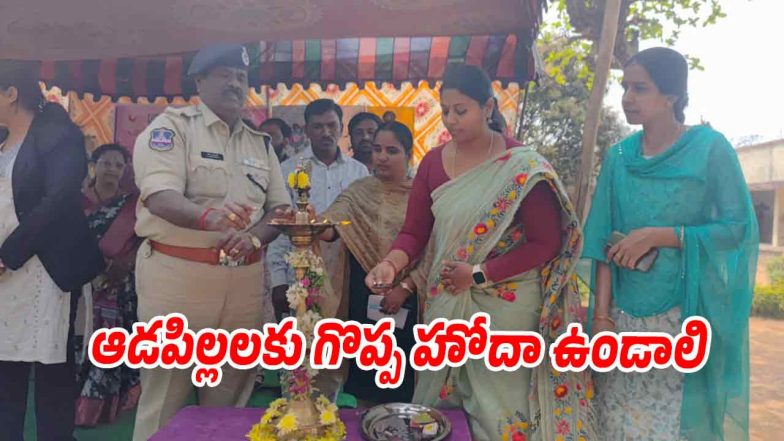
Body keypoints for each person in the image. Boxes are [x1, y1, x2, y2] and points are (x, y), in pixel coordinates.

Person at [365, 63, 595, 441]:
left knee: (501, 413)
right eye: (445, 110)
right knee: (446, 411)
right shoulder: (433, 163)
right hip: (448, 302)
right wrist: (391, 264)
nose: (451, 120)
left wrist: (477, 274)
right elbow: (414, 232)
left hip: (507, 312)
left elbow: (547, 243)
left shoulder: (522, 167)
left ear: (487, 107)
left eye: (461, 110)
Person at [582, 47, 758, 441]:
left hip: (683, 318)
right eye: (625, 87)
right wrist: (602, 318)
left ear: (672, 95)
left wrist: (663, 235)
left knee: (671, 428)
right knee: (616, 424)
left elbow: (736, 228)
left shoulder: (709, 148)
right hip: (625, 322)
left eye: (640, 88)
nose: (627, 98)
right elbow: (601, 242)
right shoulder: (619, 157)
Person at [131, 44, 291, 441]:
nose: (235, 83)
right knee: (165, 400)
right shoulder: (172, 128)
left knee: (229, 404)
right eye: (224, 74)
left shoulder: (260, 143)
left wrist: (253, 236)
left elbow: (280, 210)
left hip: (242, 286)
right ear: (199, 81)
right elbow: (159, 196)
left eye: (241, 77)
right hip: (178, 280)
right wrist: (208, 218)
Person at [0, 60, 104, 441]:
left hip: (43, 267)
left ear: (11, 93)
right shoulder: (3, 140)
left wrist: (7, 254)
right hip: (6, 273)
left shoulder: (57, 135)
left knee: (51, 372)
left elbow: (58, 199)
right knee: (5, 373)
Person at [267, 98, 369, 400]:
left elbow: (361, 225)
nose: (326, 132)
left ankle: (326, 414)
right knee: (296, 353)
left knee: (332, 354)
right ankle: (295, 412)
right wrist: (278, 281)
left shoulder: (359, 172)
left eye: (331, 125)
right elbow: (279, 228)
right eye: (318, 126)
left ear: (341, 128)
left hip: (342, 277)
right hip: (297, 277)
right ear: (306, 130)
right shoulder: (289, 169)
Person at [319, 121, 426, 405]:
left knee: (403, 378)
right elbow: (330, 227)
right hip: (363, 296)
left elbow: (431, 249)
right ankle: (367, 422)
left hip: (408, 298)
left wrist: (404, 288)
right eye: (378, 149)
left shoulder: (422, 195)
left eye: (392, 150)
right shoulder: (359, 190)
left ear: (409, 154)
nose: (382, 157)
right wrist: (306, 223)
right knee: (365, 380)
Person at [75, 143, 142, 426]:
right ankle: (74, 405)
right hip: (81, 284)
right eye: (106, 163)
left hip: (118, 285)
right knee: (79, 344)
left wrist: (126, 263)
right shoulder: (77, 201)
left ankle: (101, 410)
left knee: (111, 345)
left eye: (118, 165)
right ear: (94, 165)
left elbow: (142, 240)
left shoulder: (132, 205)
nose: (112, 170)